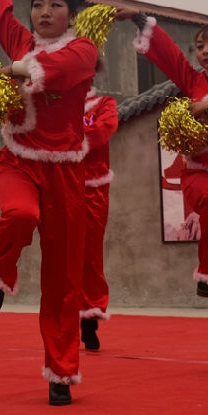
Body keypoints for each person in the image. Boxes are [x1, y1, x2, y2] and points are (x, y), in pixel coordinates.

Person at [0, 0, 97, 405]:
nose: (44, 12)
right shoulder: (21, 39)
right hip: (18, 161)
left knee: (64, 278)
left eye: (56, 4)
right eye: (38, 4)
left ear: (72, 13)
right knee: (19, 214)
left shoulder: (83, 51)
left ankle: (61, 372)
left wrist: (10, 70)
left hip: (66, 173)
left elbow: (52, 72)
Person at [112, 6, 208, 376]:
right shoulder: (193, 80)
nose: (205, 51)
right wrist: (139, 20)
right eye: (200, 46)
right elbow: (169, 55)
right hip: (202, 175)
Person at [79, 86, 119, 351]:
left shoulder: (104, 104)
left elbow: (101, 132)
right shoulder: (52, 102)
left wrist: (65, 136)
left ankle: (90, 316)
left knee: (91, 255)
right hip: (59, 185)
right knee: (61, 256)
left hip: (93, 188)